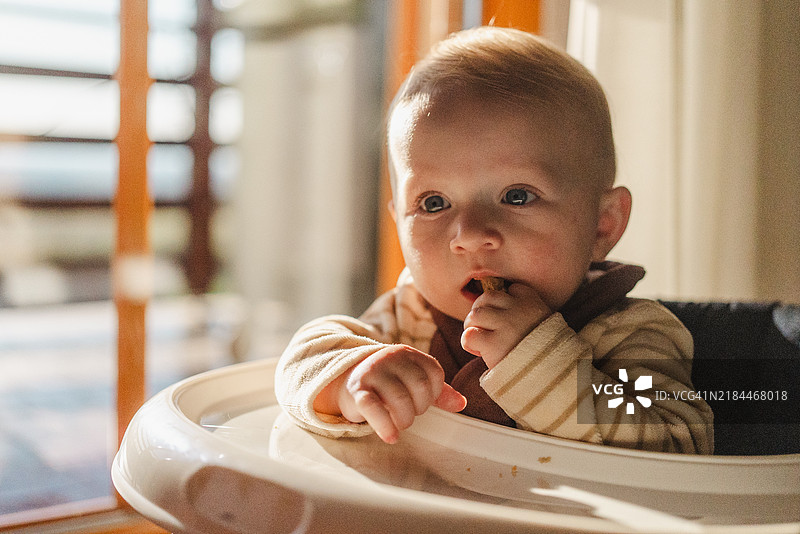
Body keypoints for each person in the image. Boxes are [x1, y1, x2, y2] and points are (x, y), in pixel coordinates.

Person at [275, 26, 713, 454]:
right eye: (433, 203)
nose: (468, 236)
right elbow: (301, 362)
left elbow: (679, 442)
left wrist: (535, 359)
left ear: (602, 224)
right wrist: (350, 380)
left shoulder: (626, 331)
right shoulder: (408, 319)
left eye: (516, 196)